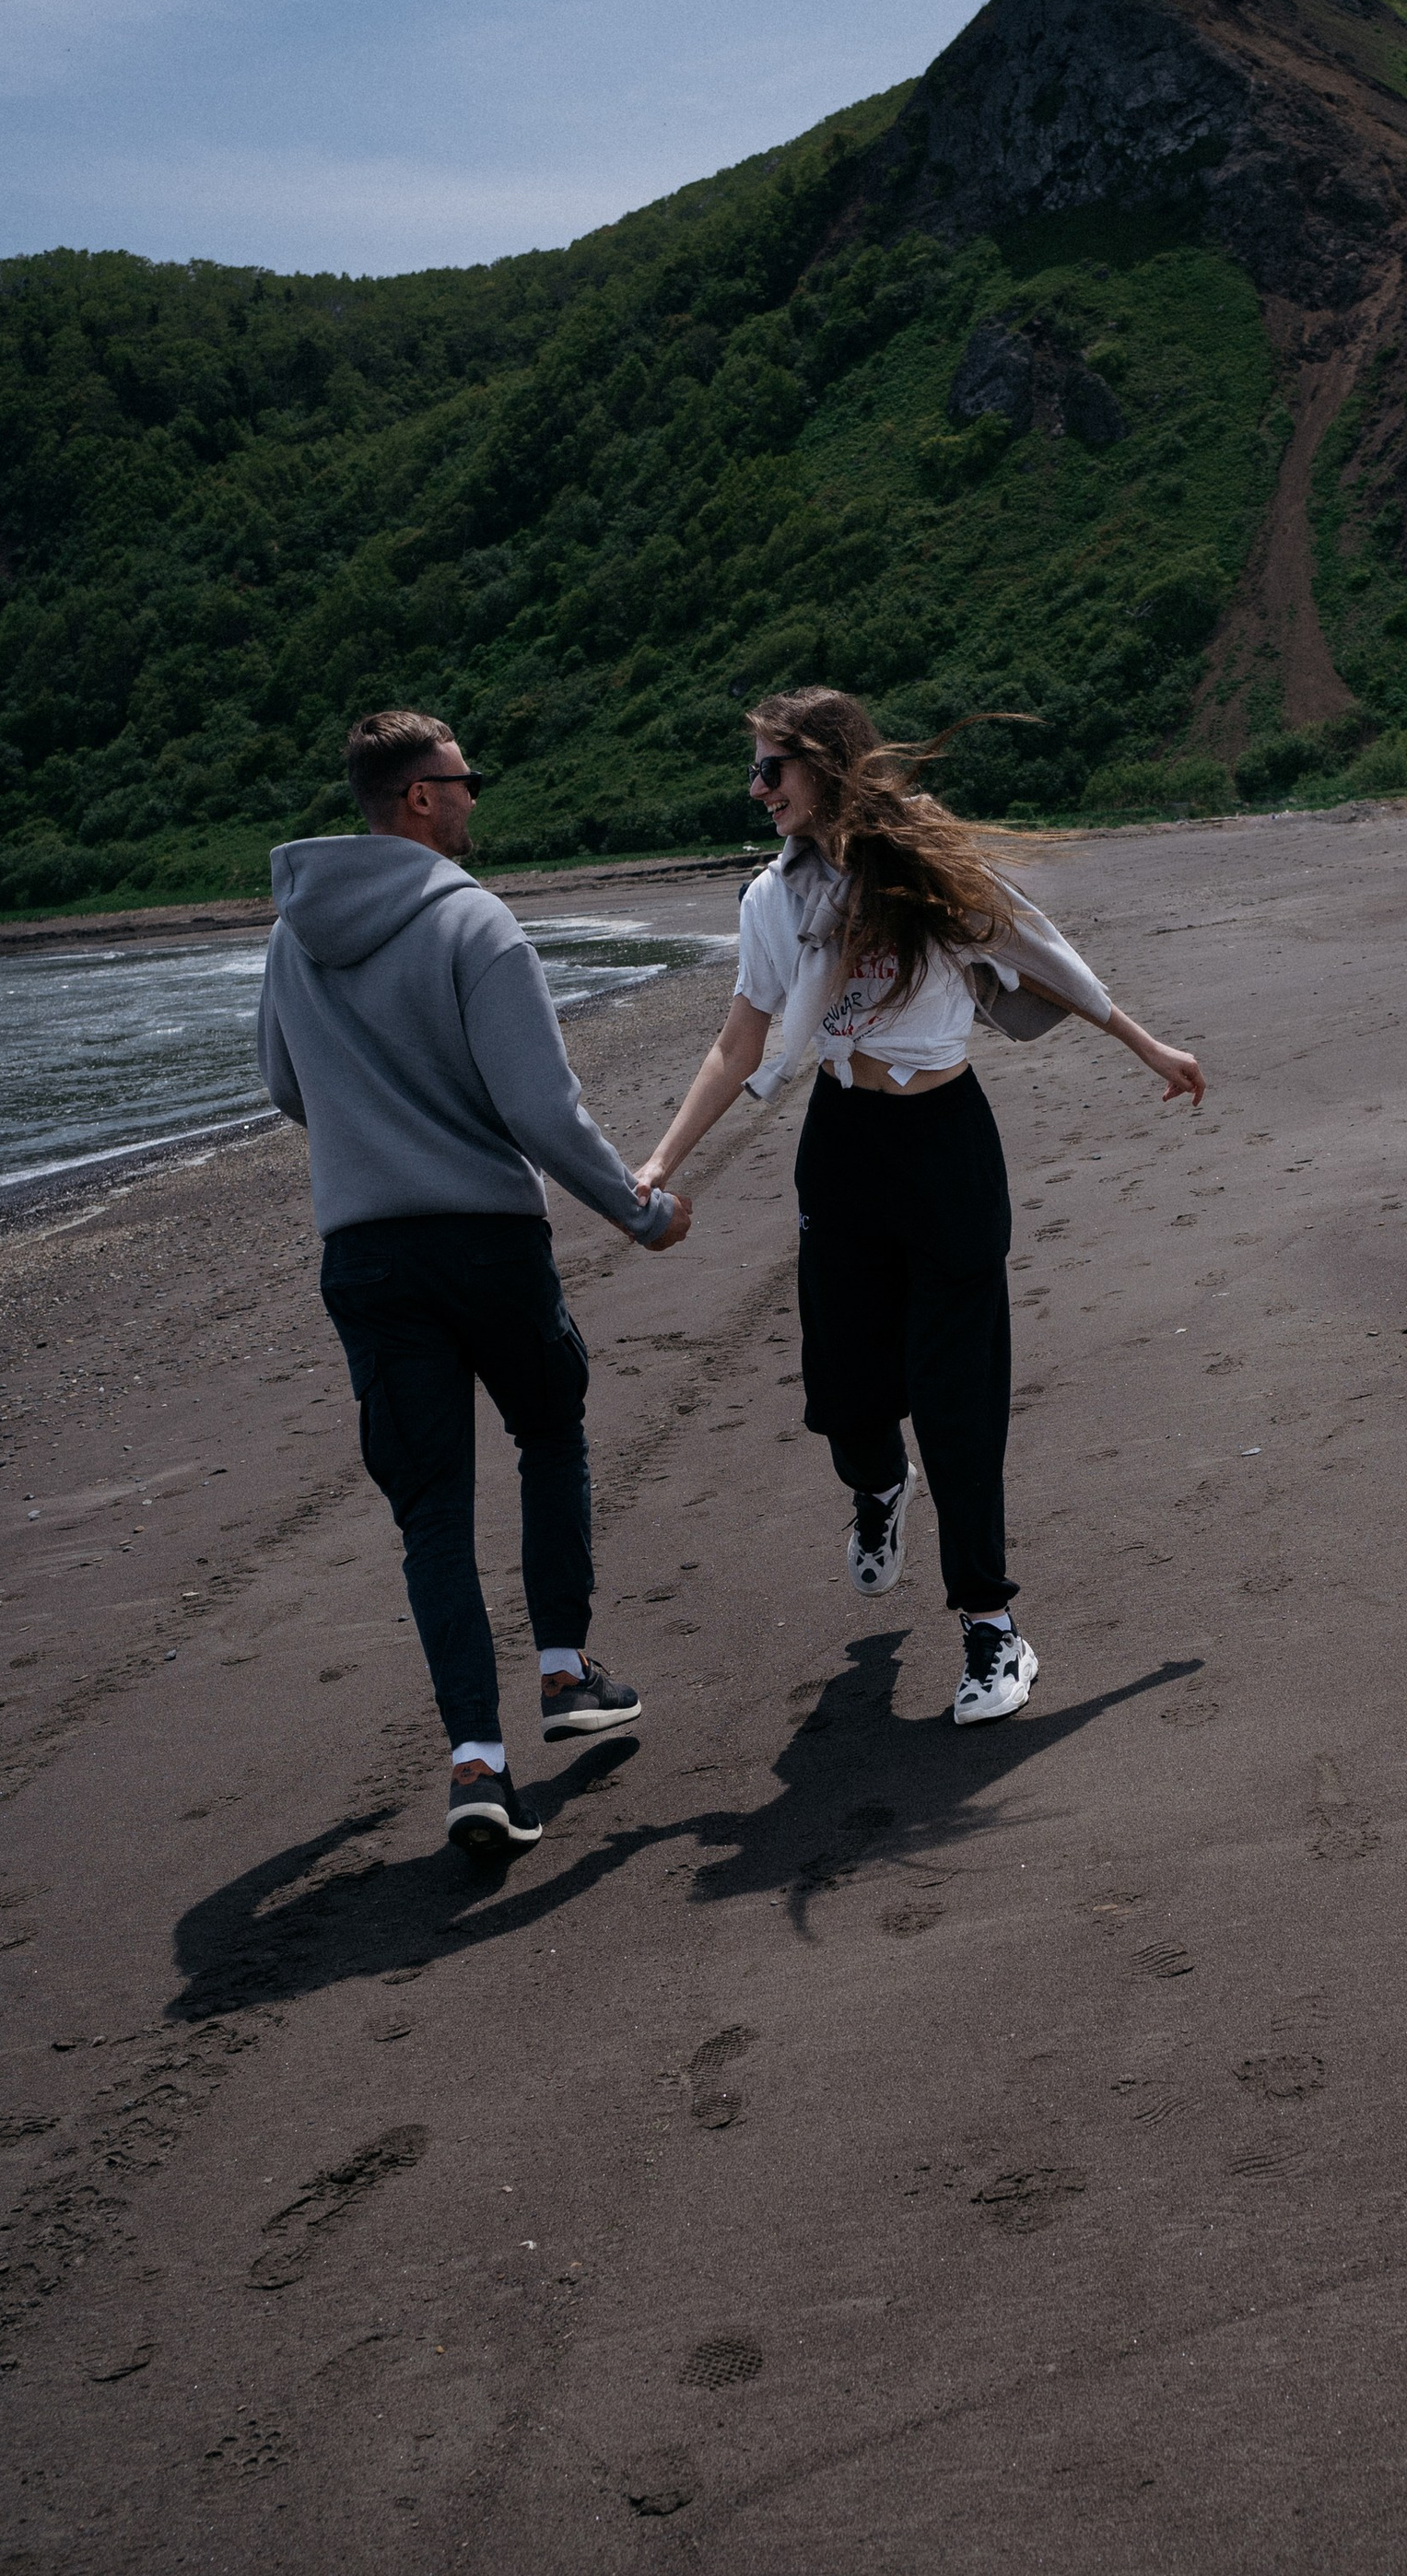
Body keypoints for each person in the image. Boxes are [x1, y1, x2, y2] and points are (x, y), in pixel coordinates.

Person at [637, 687, 1202, 1724]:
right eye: (753, 769)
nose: (756, 789)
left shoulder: (935, 868)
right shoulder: (773, 899)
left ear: (827, 766)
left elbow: (1045, 955)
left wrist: (1149, 1046)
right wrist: (662, 1160)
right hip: (844, 1147)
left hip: (946, 1145)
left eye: (773, 768)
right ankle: (875, 1486)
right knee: (844, 1398)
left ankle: (992, 1628)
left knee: (960, 1399)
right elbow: (742, 1040)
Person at [259, 708, 690, 1855]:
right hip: (487, 1241)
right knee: (550, 1432)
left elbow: (287, 1090)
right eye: (464, 780)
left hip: (369, 1256)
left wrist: (376, 1113)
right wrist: (639, 1212)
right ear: (417, 797)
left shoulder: (291, 937)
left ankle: (476, 1764)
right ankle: (562, 1674)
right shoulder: (474, 923)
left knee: (430, 1517)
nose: (474, 797)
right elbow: (539, 1110)